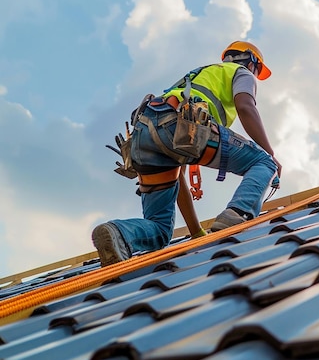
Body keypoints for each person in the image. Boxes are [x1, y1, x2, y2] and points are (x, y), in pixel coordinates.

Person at [91, 41, 281, 266]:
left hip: (145, 136)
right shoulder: (241, 73)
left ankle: (118, 233)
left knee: (160, 230)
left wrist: (197, 233)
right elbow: (246, 107)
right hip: (182, 126)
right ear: (250, 61)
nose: (256, 76)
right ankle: (238, 213)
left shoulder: (197, 76)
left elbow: (177, 177)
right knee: (264, 162)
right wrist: (270, 154)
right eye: (258, 70)